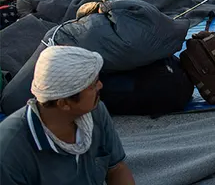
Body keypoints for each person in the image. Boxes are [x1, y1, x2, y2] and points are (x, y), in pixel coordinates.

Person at [0, 46, 135, 185]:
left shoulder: (95, 111)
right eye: (92, 85)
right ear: (64, 103)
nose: (100, 85)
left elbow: (116, 169)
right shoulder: (9, 152)